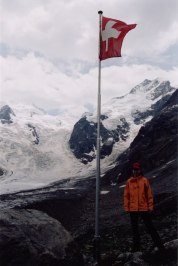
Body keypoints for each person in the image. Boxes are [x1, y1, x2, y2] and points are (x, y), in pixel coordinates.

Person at [124, 162, 165, 252]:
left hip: (143, 208)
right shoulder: (129, 182)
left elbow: (149, 195)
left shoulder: (144, 180)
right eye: (134, 169)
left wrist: (150, 206)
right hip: (133, 209)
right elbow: (126, 196)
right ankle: (136, 248)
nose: (135, 171)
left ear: (140, 170)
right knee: (135, 230)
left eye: (137, 169)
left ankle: (160, 246)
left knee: (150, 227)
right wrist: (127, 208)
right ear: (132, 170)